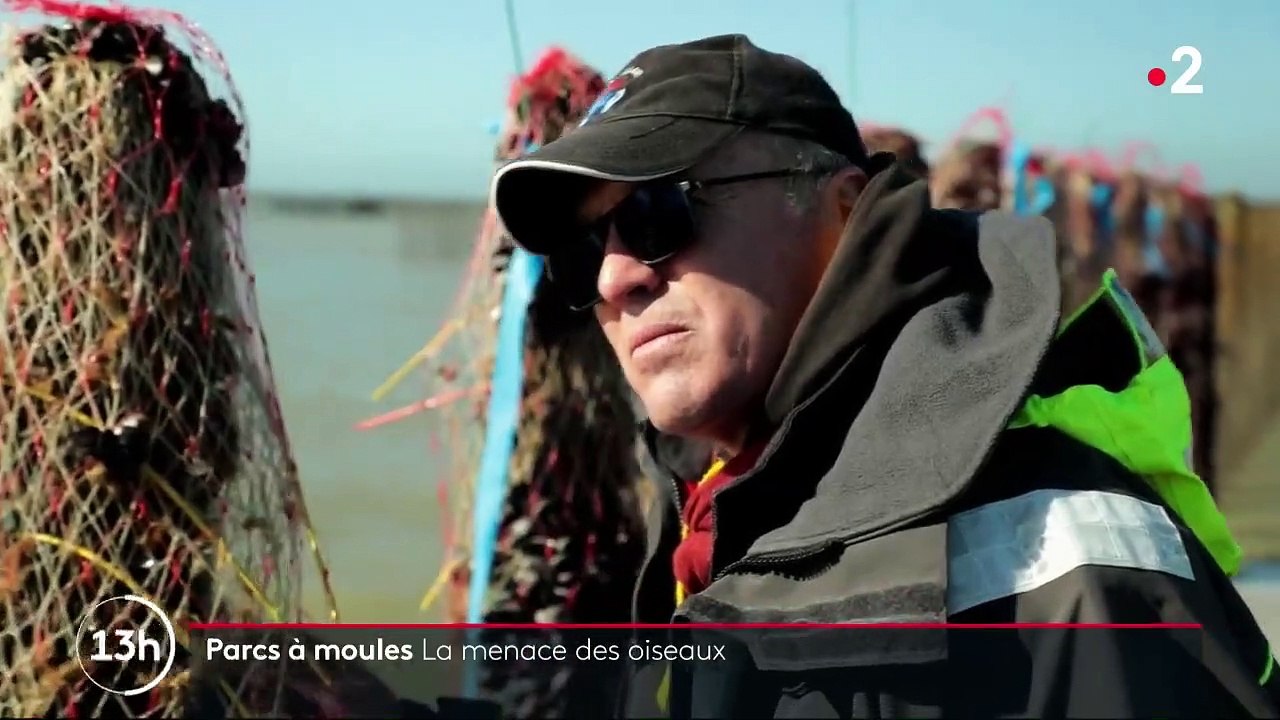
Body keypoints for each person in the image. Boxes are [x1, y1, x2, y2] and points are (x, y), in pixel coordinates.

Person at [490, 34, 1280, 719]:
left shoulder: (1066, 560)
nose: (613, 279)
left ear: (845, 210)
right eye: (583, 251)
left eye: (660, 212)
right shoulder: (719, 504)